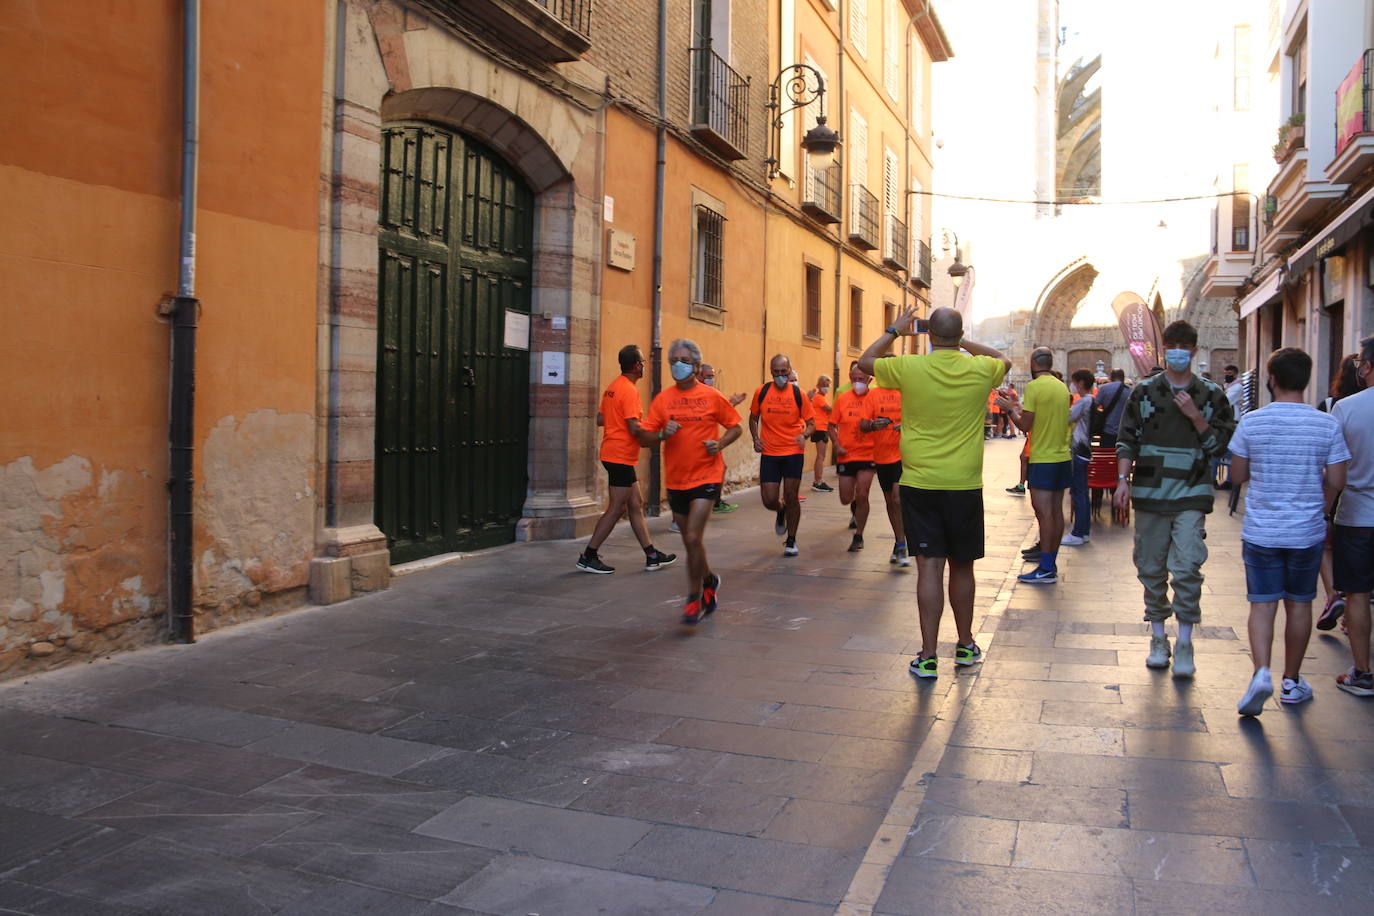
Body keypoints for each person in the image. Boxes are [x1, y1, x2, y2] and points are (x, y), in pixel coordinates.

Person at [860, 306, 1011, 679]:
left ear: (930, 336)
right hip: (963, 484)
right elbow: (1002, 359)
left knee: (928, 567)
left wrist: (895, 331)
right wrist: (962, 342)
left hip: (920, 483)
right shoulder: (980, 370)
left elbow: (865, 361)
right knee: (963, 566)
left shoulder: (910, 368)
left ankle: (928, 655)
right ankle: (964, 645)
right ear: (959, 337)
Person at [1230, 348, 1349, 715]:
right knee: (1299, 604)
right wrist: (1320, 505)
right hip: (1306, 531)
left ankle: (1261, 673)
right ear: (1307, 379)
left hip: (1262, 530)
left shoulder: (1252, 422)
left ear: (1272, 379)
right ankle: (1291, 681)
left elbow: (1236, 477)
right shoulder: (1325, 424)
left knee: (1262, 605)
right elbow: (1339, 479)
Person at [1114, 320, 1236, 677]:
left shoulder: (1212, 395)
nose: (1178, 352)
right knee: (1150, 568)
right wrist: (1122, 480)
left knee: (1187, 568)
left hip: (1192, 492)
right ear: (1164, 349)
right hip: (1150, 493)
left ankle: (1184, 642)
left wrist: (1197, 418)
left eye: (1185, 346)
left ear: (1194, 351)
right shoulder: (1145, 392)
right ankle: (1157, 637)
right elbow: (1127, 439)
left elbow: (1219, 446)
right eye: (1172, 345)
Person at [638, 339, 743, 625]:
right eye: (673, 360)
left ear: (696, 365)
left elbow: (735, 427)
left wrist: (719, 445)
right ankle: (709, 579)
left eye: (683, 360)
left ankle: (693, 597)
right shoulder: (663, 400)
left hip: (707, 475)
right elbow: (644, 438)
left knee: (694, 536)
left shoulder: (711, 396)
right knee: (690, 542)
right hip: (677, 480)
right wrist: (662, 435)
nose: (677, 365)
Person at [577, 346, 677, 574]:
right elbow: (633, 427)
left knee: (635, 503)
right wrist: (658, 435)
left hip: (616, 454)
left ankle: (652, 555)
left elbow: (601, 418)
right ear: (637, 365)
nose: (643, 365)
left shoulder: (613, 387)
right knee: (617, 507)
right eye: (642, 361)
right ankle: (588, 556)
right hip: (619, 455)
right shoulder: (629, 391)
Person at [1001, 348, 1072, 584]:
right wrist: (1016, 406)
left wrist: (1009, 409)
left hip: (1043, 457)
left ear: (1033, 363)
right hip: (1062, 456)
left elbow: (1025, 426)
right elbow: (1041, 417)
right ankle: (1049, 561)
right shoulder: (1061, 386)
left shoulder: (1034, 387)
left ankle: (1047, 567)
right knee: (1055, 512)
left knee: (1044, 514)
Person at [1331, 335, 1374, 696]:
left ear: (1368, 367)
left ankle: (1362, 672)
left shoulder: (1346, 408)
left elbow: (1335, 471)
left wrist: (1322, 508)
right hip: (1355, 515)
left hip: (1357, 516)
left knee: (1358, 595)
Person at [749, 354, 815, 557]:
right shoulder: (762, 392)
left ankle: (791, 540)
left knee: (791, 495)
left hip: (793, 451)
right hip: (770, 451)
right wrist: (755, 438)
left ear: (789, 371)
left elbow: (812, 423)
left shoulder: (798, 394)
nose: (779, 376)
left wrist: (803, 435)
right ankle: (780, 511)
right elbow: (753, 418)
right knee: (769, 499)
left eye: (783, 372)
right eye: (776, 372)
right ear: (771, 371)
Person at [1316, 353, 1363, 628]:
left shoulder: (1331, 405)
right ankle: (1351, 610)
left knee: (1326, 543)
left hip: (1336, 487)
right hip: (1359, 494)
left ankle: (1334, 594)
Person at [831, 362, 878, 551]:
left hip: (869, 452)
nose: (857, 382)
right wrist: (836, 443)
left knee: (862, 493)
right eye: (854, 379)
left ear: (869, 379)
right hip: (847, 454)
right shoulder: (843, 399)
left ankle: (859, 535)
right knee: (845, 497)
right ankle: (855, 507)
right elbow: (831, 424)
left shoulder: (875, 398)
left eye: (861, 379)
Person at [869, 377, 910, 566]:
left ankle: (903, 544)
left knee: (897, 499)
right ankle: (899, 540)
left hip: (903, 454)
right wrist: (871, 425)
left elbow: (919, 417)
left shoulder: (906, 392)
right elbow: (863, 424)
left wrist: (906, 427)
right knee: (889, 503)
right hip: (881, 456)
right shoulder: (872, 395)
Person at [698, 363, 746, 514]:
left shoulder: (711, 393)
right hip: (700, 443)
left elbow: (715, 413)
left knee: (720, 468)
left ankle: (715, 502)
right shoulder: (699, 394)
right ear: (699, 376)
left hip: (711, 442)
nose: (711, 379)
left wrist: (731, 404)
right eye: (709, 376)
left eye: (713, 376)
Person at [1062, 368, 1096, 547]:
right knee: (1082, 493)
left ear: (1081, 383)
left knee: (1078, 492)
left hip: (1079, 450)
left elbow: (1067, 418)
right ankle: (1084, 531)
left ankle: (1078, 532)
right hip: (1085, 450)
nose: (1073, 386)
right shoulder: (1091, 400)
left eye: (1074, 382)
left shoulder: (1084, 401)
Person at [1093, 368, 1132, 448]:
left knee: (1106, 456)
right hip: (1124, 432)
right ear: (1123, 377)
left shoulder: (1104, 389)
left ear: (1111, 377)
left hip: (1107, 430)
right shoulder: (1130, 391)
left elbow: (1094, 406)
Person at [808, 375, 834, 491]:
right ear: (818, 386)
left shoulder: (820, 397)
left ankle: (818, 480)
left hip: (822, 428)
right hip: (820, 429)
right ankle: (818, 481)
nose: (826, 388)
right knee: (821, 456)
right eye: (824, 385)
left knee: (821, 456)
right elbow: (829, 409)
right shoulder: (819, 398)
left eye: (827, 385)